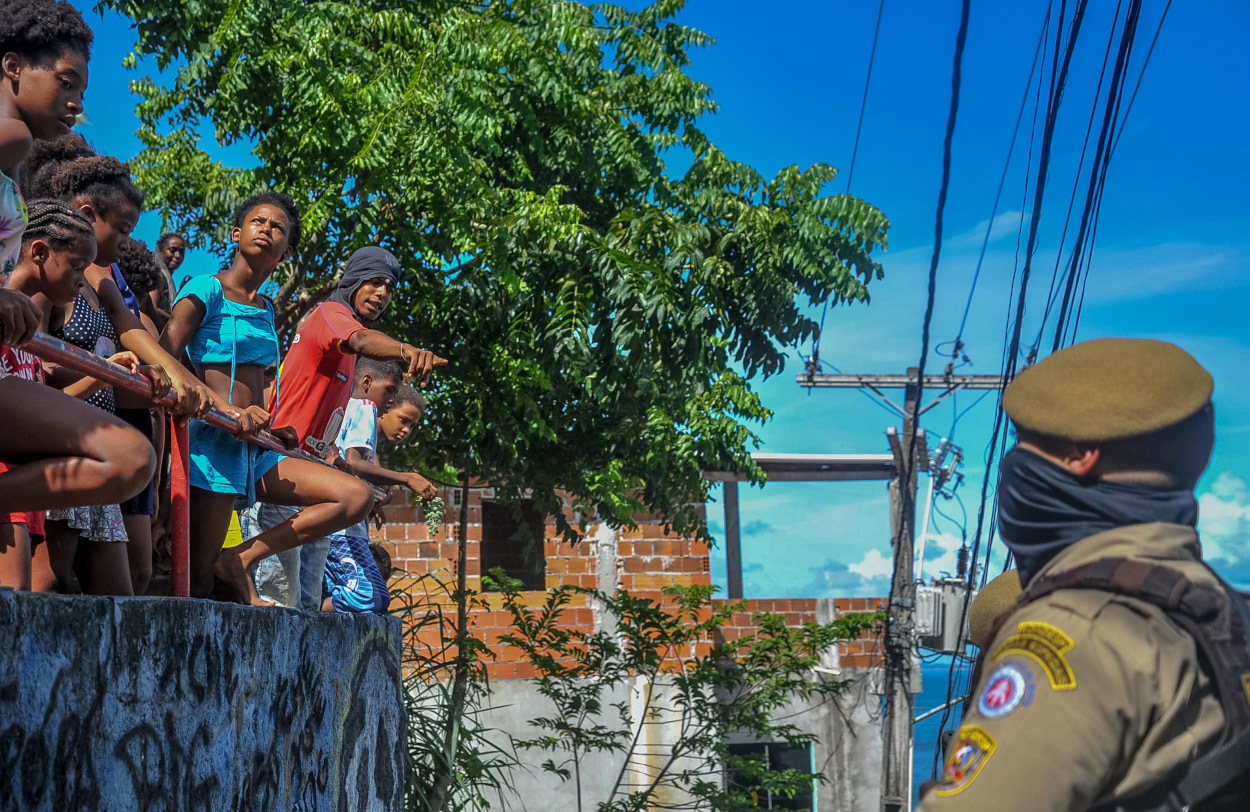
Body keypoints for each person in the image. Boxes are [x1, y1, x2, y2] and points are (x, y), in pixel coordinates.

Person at [917, 338, 1248, 811]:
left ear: (1079, 454)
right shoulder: (1225, 611)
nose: (1015, 463)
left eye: (1023, 443)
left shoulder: (1076, 631)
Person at [159, 192, 374, 605]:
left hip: (257, 447)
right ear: (237, 233)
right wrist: (226, 409)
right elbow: (164, 355)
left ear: (286, 250)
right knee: (198, 581)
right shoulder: (206, 288)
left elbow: (261, 383)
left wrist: (273, 427)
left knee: (354, 496)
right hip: (214, 443)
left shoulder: (266, 308)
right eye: (258, 222)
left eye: (278, 228)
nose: (267, 230)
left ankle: (242, 558)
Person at [0, 3, 154, 536]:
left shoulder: (16, 160)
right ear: (13, 66)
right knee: (128, 458)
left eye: (83, 91)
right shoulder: (10, 139)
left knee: (131, 460)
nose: (76, 104)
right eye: (66, 82)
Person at [245, 244, 444, 610]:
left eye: (390, 288)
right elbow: (362, 339)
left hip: (312, 479)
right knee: (279, 604)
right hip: (280, 468)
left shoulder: (349, 359)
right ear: (354, 279)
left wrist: (337, 463)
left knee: (306, 606)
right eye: (375, 282)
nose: (382, 294)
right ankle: (241, 558)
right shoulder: (332, 314)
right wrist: (406, 350)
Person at [1, 199, 156, 591]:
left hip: (21, 487)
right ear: (39, 252)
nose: (80, 281)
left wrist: (101, 375)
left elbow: (45, 393)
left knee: (16, 607)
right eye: (75, 267)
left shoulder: (30, 334)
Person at [321, 367, 435, 614]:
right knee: (370, 597)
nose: (406, 430)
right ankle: (309, 610)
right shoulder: (364, 408)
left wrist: (370, 502)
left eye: (412, 426)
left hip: (344, 526)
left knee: (369, 595)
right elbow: (353, 463)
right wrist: (407, 479)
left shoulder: (368, 435)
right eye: (403, 420)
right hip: (339, 529)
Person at [150, 231, 184, 327]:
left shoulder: (167, 279)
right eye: (172, 250)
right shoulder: (157, 274)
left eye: (181, 252)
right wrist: (178, 323)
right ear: (160, 250)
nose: (177, 255)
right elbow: (151, 307)